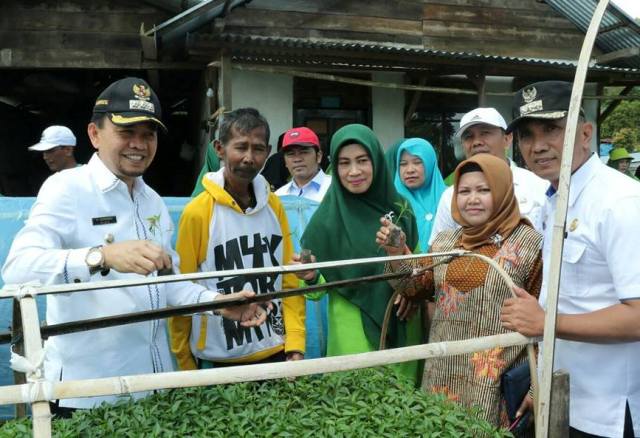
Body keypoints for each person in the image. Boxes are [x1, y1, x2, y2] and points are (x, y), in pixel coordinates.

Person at [2, 78, 266, 413]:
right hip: (87, 396)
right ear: (94, 135)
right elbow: (18, 267)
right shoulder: (67, 189)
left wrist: (218, 302)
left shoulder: (152, 201)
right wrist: (102, 256)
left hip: (152, 389)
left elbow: (168, 284)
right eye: (127, 132)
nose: (139, 144)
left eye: (148, 134)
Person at [500, 80, 640, 437]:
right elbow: (568, 298)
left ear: (586, 134)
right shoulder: (554, 199)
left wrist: (545, 322)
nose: (538, 145)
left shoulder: (620, 202)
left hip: (608, 411)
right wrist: (540, 383)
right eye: (527, 135)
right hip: (564, 398)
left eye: (552, 129)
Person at [378, 153, 542, 427]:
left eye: (484, 190)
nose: (472, 199)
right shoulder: (445, 243)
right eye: (464, 191)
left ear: (503, 192)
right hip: (442, 375)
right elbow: (413, 288)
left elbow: (545, 322)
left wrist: (537, 385)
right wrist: (396, 251)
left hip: (495, 384)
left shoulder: (530, 245)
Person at [169, 108, 305, 370]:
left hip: (275, 349)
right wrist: (185, 362)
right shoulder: (198, 212)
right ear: (220, 148)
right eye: (240, 147)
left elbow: (289, 279)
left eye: (258, 149)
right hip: (217, 357)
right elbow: (181, 289)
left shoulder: (273, 206)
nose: (249, 158)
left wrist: (296, 343)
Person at [295, 124, 421, 382]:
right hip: (352, 333)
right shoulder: (323, 221)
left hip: (403, 326)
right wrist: (309, 276)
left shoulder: (401, 208)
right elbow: (315, 289)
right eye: (344, 163)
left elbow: (419, 265)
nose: (354, 171)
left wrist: (413, 291)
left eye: (362, 160)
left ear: (376, 159)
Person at [430, 107, 548, 244]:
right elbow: (437, 252)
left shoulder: (540, 186)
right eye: (468, 136)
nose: (476, 142)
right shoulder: (450, 196)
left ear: (507, 139)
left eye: (485, 133)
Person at [390, 138, 446, 251]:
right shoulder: (391, 203)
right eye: (403, 164)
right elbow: (392, 249)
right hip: (404, 267)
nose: (410, 170)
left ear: (430, 163)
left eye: (417, 162)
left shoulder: (451, 198)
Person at [275, 127, 331, 201]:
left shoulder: (335, 189)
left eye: (304, 152)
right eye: (291, 154)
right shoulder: (279, 195)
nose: (297, 159)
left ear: (318, 156)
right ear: (285, 161)